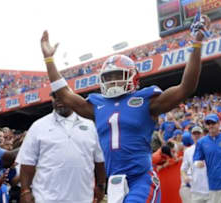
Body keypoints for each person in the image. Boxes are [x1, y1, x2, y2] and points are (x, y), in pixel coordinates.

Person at [39, 14, 210, 202]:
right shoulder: (98, 104)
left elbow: (186, 87)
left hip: (141, 179)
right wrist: (49, 60)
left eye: (117, 75)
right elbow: (64, 94)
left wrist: (196, 45)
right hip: (115, 183)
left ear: (133, 77)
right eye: (108, 77)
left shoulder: (146, 100)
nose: (112, 81)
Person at [16, 92, 106, 203]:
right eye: (54, 96)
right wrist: (25, 191)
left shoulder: (90, 125)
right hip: (46, 198)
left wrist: (101, 185)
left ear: (71, 98)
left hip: (82, 198)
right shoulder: (38, 126)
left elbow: (99, 161)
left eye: (61, 95)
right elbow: (26, 163)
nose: (58, 99)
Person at [180, 126, 209, 203]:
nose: (196, 136)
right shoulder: (188, 151)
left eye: (198, 133)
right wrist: (185, 177)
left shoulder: (210, 148)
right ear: (191, 136)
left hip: (210, 190)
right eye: (194, 134)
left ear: (202, 135)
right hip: (195, 191)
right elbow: (183, 169)